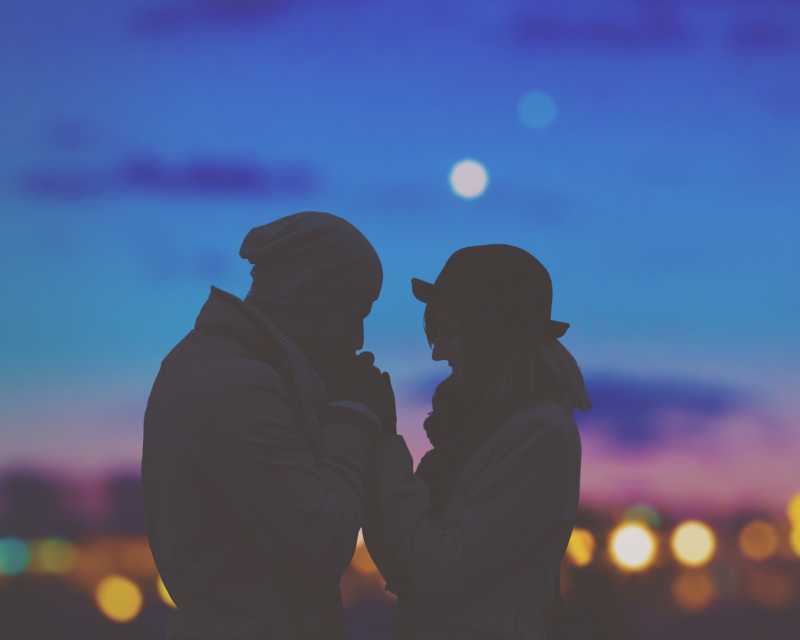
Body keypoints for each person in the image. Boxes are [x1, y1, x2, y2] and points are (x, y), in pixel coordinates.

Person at [141, 211, 396, 640]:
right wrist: (352, 421)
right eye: (353, 315)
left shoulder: (216, 366)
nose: (358, 339)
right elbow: (323, 546)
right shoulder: (243, 392)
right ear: (310, 299)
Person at [363, 244, 592, 640]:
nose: (438, 352)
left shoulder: (541, 433)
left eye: (449, 333)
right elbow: (407, 561)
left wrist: (384, 446)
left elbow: (442, 570)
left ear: (491, 334)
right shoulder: (478, 432)